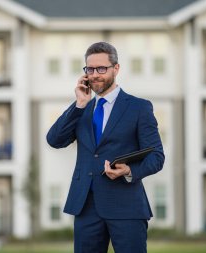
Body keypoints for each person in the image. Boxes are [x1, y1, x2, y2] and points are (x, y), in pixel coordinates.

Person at [46, 41, 165, 253]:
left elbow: (156, 156)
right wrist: (79, 104)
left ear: (116, 68)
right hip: (86, 206)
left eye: (101, 68)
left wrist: (129, 170)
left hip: (126, 206)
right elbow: (54, 140)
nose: (95, 75)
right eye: (89, 69)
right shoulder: (82, 108)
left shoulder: (139, 108)